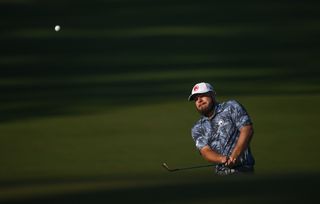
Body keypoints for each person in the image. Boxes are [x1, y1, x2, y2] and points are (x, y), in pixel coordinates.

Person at [189, 82, 255, 175]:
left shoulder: (231, 107)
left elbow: (247, 129)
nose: (199, 100)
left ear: (212, 95)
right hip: (221, 174)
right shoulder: (198, 128)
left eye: (202, 95)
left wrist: (235, 155)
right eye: (195, 99)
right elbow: (205, 151)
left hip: (244, 170)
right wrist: (222, 159)